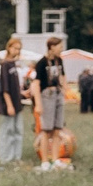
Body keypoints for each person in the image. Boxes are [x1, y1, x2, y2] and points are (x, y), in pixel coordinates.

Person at [34, 36, 69, 170]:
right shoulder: (42, 63)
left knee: (56, 130)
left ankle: (55, 160)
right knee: (46, 130)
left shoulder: (59, 60)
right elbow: (36, 84)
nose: (61, 49)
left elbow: (63, 76)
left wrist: (65, 89)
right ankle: (44, 161)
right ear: (52, 47)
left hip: (58, 94)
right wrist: (38, 104)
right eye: (59, 46)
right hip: (46, 96)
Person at [0, 35, 26, 165]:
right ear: (9, 48)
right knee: (7, 131)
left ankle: (16, 157)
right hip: (9, 104)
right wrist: (9, 105)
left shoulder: (13, 64)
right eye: (15, 48)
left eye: (19, 49)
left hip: (17, 102)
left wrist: (22, 94)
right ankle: (5, 157)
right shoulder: (5, 65)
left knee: (18, 130)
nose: (17, 51)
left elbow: (14, 87)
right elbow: (5, 88)